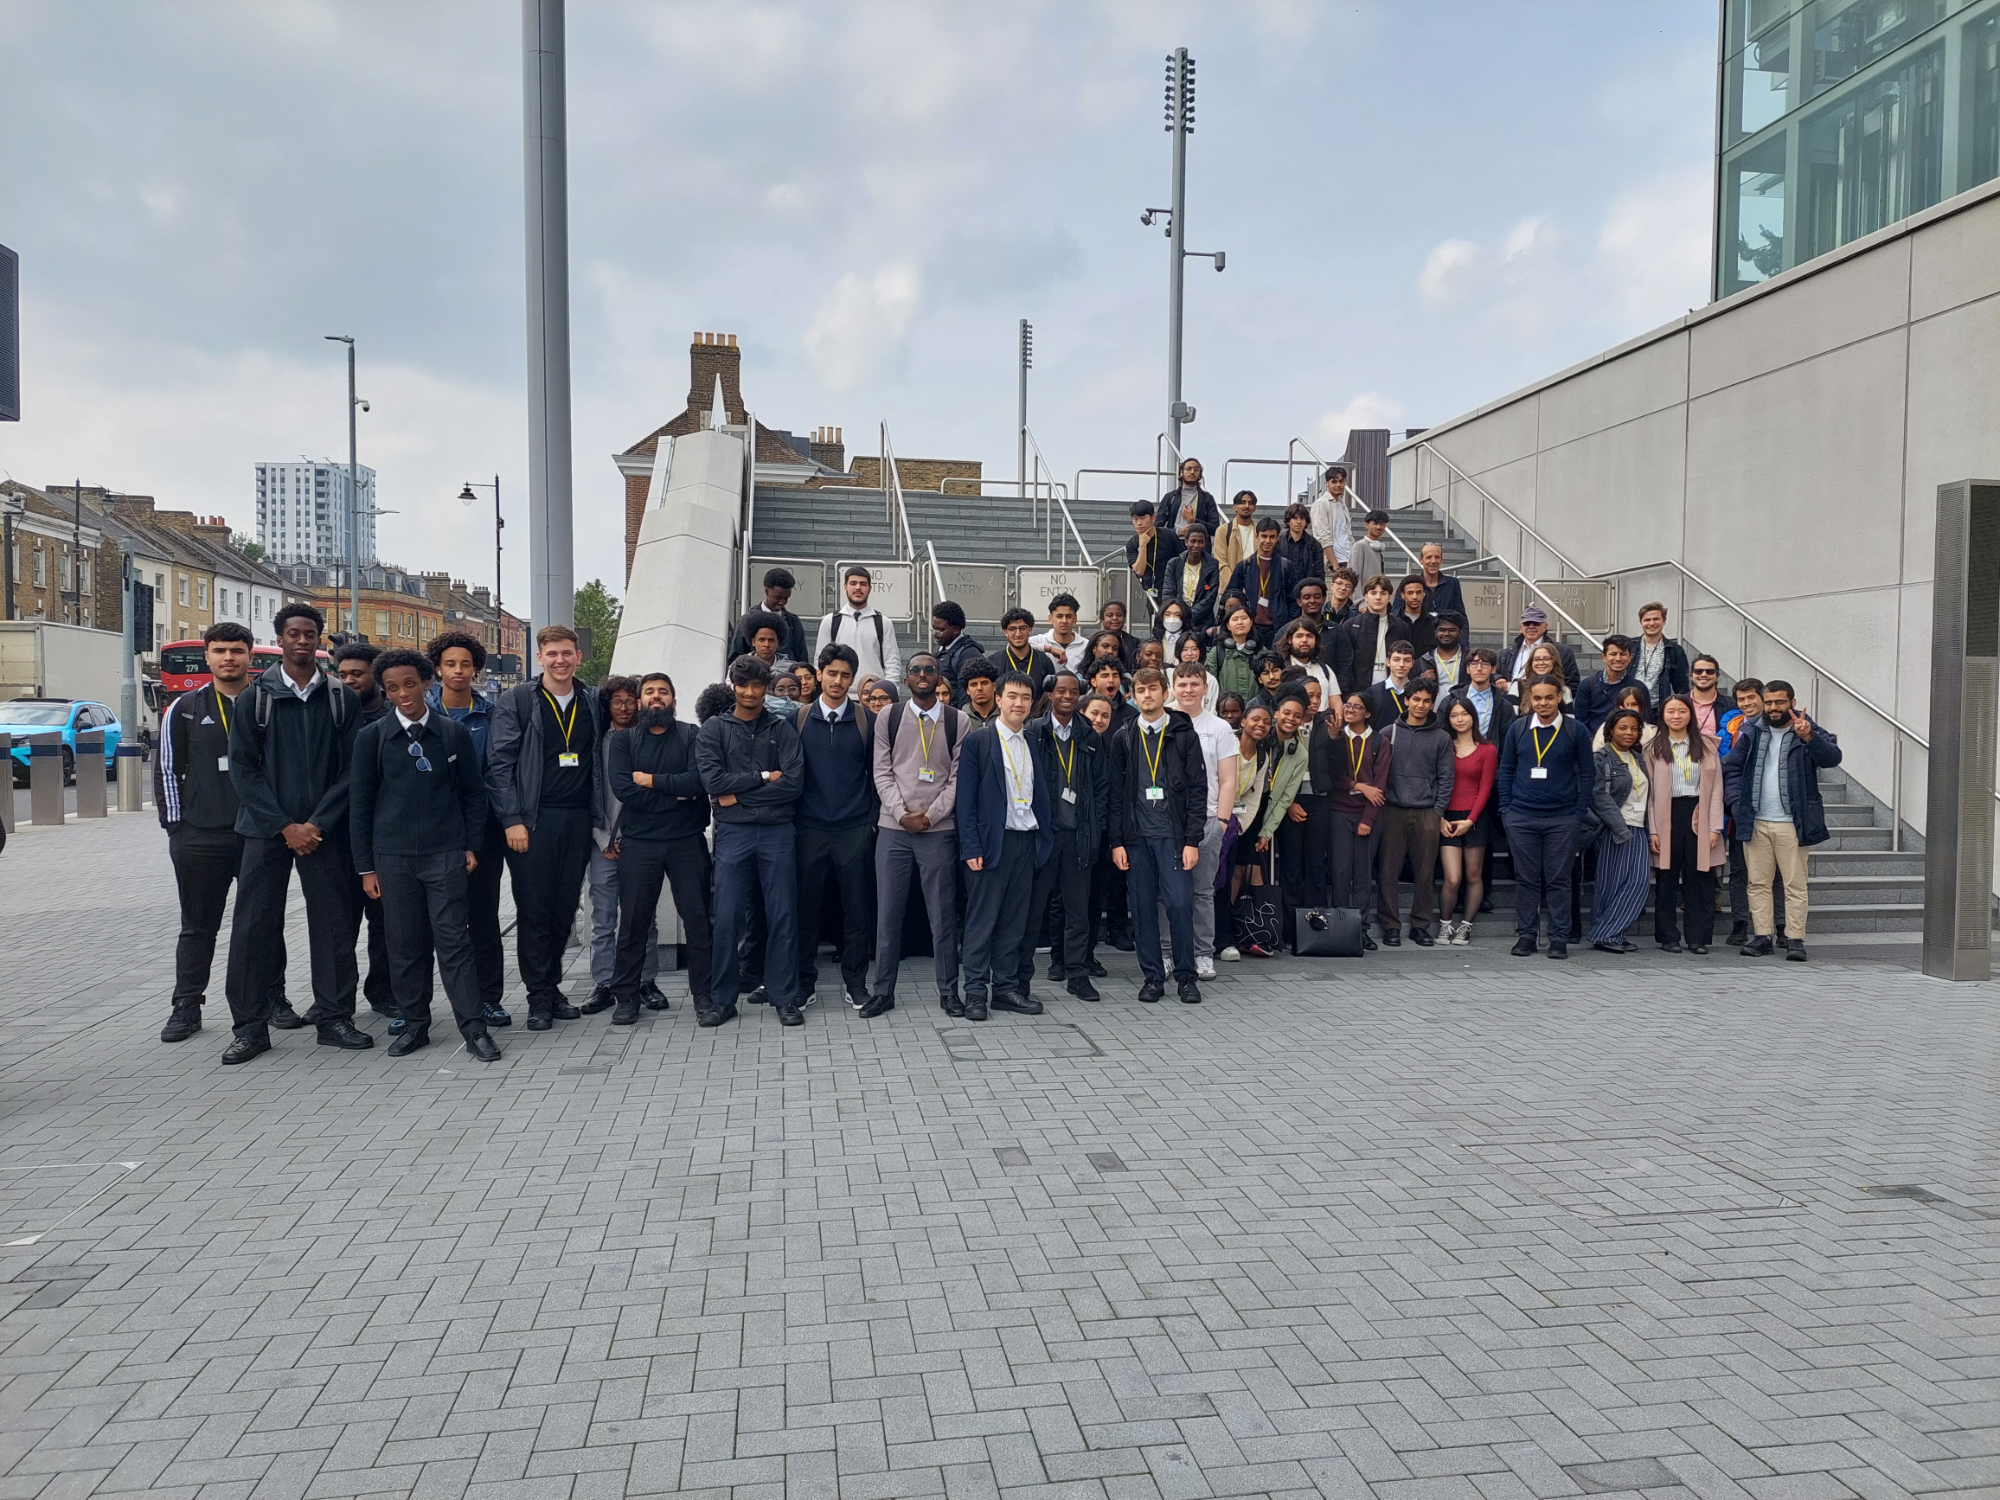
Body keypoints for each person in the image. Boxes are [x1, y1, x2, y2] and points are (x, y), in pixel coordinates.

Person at [218, 603, 366, 1065]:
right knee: (253, 927)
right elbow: (243, 770)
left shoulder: (341, 699)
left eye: (310, 634)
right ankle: (249, 1028)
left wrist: (317, 823)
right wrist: (284, 826)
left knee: (334, 925)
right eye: (293, 633)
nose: (302, 640)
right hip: (266, 831)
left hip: (325, 831)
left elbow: (352, 770)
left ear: (319, 639)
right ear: (280, 639)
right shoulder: (255, 699)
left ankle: (334, 1018)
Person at [349, 649, 498, 1060]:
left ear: (426, 683)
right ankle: (415, 1025)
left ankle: (474, 1029)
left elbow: (473, 795)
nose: (403, 694)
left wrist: (470, 845)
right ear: (385, 690)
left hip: (444, 854)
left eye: (410, 684)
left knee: (454, 942)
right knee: (404, 944)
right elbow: (360, 806)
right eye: (393, 688)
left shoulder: (452, 733)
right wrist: (366, 868)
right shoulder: (371, 738)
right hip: (392, 858)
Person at [155, 622, 293, 1043]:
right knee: (197, 925)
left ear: (251, 656)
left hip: (259, 834)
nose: (228, 658)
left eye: (236, 650)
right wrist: (176, 829)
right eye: (219, 651)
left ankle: (273, 997)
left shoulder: (269, 705)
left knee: (265, 923)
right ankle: (186, 1004)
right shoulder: (185, 708)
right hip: (201, 835)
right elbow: (168, 769)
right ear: (208, 657)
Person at [487, 625, 603, 1030]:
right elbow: (499, 764)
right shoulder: (519, 700)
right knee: (535, 911)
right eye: (552, 654)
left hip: (578, 819)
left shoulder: (591, 700)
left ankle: (552, 989)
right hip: (533, 821)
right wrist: (511, 820)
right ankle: (538, 996)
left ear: (578, 657)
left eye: (567, 653)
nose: (560, 660)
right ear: (540, 658)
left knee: (563, 911)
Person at [698, 656, 807, 1021]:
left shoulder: (782, 728)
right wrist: (762, 777)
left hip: (778, 831)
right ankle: (723, 1000)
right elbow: (713, 782)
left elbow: (793, 784)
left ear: (766, 688)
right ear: (733, 686)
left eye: (757, 685)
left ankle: (784, 997)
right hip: (734, 833)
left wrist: (739, 796)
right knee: (727, 915)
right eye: (742, 685)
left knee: (783, 914)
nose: (749, 692)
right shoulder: (714, 729)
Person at [607, 672, 716, 1024]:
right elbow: (625, 790)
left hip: (687, 842)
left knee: (698, 920)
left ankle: (704, 996)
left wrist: (652, 781)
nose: (657, 696)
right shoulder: (624, 741)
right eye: (650, 691)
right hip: (639, 844)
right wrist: (677, 798)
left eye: (663, 692)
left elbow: (697, 782)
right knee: (633, 923)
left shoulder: (691, 735)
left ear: (673, 699)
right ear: (640, 701)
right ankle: (626, 997)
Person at [869, 652, 967, 1018]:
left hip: (937, 830)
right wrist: (901, 814)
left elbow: (957, 778)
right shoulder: (889, 716)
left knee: (942, 916)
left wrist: (930, 816)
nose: (922, 674)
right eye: (915, 670)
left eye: (929, 670)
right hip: (893, 830)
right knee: (888, 914)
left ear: (939, 678)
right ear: (906, 679)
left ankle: (949, 993)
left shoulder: (958, 721)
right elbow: (881, 771)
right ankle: (883, 992)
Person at [427, 631, 512, 1031]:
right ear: (438, 669)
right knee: (430, 921)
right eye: (450, 664)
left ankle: (488, 998)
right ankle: (416, 1005)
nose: (458, 671)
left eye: (465, 664)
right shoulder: (422, 711)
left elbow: (498, 769)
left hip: (483, 829)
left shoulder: (492, 715)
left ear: (476, 669)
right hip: (434, 829)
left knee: (483, 916)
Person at [956, 672, 1052, 1021]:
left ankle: (1006, 989)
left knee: (1014, 921)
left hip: (1026, 841)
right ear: (998, 699)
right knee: (982, 922)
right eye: (1012, 696)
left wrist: (1043, 840)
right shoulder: (978, 742)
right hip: (990, 845)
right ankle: (975, 992)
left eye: (1026, 697)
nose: (1019, 703)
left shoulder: (1033, 742)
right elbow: (965, 800)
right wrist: (971, 847)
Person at [1106, 667, 1206, 1003]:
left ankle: (1186, 976)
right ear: (1133, 696)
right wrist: (1117, 842)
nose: (1147, 695)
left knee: (1179, 904)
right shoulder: (1123, 736)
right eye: (1140, 690)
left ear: (1166, 693)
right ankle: (1152, 977)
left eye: (1153, 689)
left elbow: (1198, 790)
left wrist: (1192, 840)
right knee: (1143, 908)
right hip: (1136, 839)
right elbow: (1116, 794)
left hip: (1173, 838)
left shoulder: (1183, 734)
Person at [1724, 680, 1841, 961]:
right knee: (1757, 883)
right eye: (1769, 702)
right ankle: (1762, 937)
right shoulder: (1752, 731)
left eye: (1780, 702)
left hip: (1793, 821)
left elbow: (1832, 758)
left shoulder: (1807, 730)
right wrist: (1737, 803)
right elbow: (1731, 767)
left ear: (1792, 703)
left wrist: (1809, 737)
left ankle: (1795, 939)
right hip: (1756, 820)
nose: (1773, 708)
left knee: (1795, 884)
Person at [793, 644, 879, 1009]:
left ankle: (856, 983)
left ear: (853, 679)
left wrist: (871, 821)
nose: (838, 681)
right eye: (832, 673)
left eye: (845, 675)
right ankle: (803, 983)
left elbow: (877, 775)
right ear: (819, 675)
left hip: (854, 829)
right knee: (804, 911)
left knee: (857, 911)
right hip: (809, 829)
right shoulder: (797, 720)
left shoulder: (867, 721)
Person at [1018, 671, 1107, 1001]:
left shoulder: (1089, 735)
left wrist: (1094, 826)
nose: (1067, 696)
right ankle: (1021, 979)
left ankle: (1077, 975)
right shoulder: (1033, 731)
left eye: (1073, 692)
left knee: (1078, 912)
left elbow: (1101, 787)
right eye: (1061, 691)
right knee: (1032, 911)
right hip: (1043, 835)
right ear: (1049, 693)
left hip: (1078, 836)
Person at [1496, 674, 1594, 958]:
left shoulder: (1575, 730)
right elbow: (1506, 769)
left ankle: (1558, 938)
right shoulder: (1518, 728)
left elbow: (1588, 773)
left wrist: (1578, 811)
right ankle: (1526, 936)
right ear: (1529, 699)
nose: (1543, 703)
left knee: (1559, 880)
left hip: (1562, 818)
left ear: (1559, 698)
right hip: (1521, 816)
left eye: (1549, 697)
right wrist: (1506, 808)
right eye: (1537, 698)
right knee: (1526, 879)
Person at [582, 676, 656, 1015]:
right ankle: (604, 982)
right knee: (603, 917)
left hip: (642, 840)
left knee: (643, 916)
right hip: (603, 841)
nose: (624, 707)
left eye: (630, 700)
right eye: (617, 701)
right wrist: (602, 840)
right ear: (607, 705)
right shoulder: (597, 742)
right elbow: (589, 792)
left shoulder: (649, 739)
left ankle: (646, 980)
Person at [333, 640, 398, 1018]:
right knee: (338, 925)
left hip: (384, 838)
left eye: (357, 674)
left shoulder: (395, 718)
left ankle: (384, 992)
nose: (348, 681)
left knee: (385, 922)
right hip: (337, 835)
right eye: (342, 675)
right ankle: (335, 1000)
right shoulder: (332, 716)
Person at [1166, 662, 1239, 980]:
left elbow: (1228, 780)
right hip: (1166, 821)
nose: (1188, 690)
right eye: (1182, 684)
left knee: (1202, 892)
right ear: (1173, 688)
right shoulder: (1160, 721)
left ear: (1206, 688)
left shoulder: (1219, 728)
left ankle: (1202, 954)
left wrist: (1221, 821)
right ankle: (1166, 953)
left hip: (1208, 819)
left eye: (1195, 684)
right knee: (1165, 893)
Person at [1646, 692, 1725, 954]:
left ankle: (1697, 937)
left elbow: (1717, 789)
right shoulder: (1653, 748)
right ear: (1663, 715)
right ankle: (1668, 936)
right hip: (1666, 814)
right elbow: (1649, 794)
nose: (1676, 716)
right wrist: (1653, 830)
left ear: (1691, 715)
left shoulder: (1707, 747)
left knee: (1700, 878)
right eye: (1671, 711)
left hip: (1699, 813)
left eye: (1682, 711)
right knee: (1667, 879)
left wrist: (1714, 827)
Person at [1375, 681, 1452, 946]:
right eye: (1416, 699)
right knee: (1388, 871)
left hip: (1427, 812)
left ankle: (1420, 925)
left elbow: (1446, 777)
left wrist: (1438, 811)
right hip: (1392, 810)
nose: (1421, 705)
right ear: (1406, 700)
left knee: (1425, 872)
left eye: (1427, 701)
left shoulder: (1441, 737)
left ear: (1433, 703)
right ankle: (1390, 925)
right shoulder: (1388, 732)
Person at [1583, 708, 1652, 954]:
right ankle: (1607, 934)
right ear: (1610, 730)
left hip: (1638, 826)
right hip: (1614, 828)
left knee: (1638, 883)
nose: (1629, 733)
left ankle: (1608, 932)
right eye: (1623, 728)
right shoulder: (1601, 757)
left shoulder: (1638, 758)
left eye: (1634, 728)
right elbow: (1599, 796)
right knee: (1611, 884)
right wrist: (1619, 828)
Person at [1436, 698, 1495, 945]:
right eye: (1454, 715)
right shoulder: (1443, 746)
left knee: (1473, 875)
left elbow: (1485, 789)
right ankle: (1445, 925)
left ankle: (1466, 926)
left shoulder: (1487, 749)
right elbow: (1436, 782)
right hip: (1447, 817)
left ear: (1473, 716)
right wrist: (1439, 816)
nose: (1459, 719)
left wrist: (1470, 820)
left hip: (1474, 818)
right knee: (1452, 878)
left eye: (1464, 714)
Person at [1719, 677, 1766, 946]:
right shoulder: (1731, 726)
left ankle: (1779, 926)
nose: (1746, 703)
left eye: (1751, 698)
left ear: (1762, 698)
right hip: (1738, 807)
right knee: (1739, 869)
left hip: (1771, 809)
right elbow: (1726, 765)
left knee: (1774, 873)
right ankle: (1740, 923)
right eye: (1741, 699)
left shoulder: (1777, 725)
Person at [813, 565, 902, 685]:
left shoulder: (883, 622)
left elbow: (892, 663)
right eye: (853, 583)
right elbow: (820, 661)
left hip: (873, 692)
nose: (858, 588)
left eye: (863, 584)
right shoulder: (830, 621)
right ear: (845, 586)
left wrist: (889, 690)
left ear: (869, 588)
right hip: (839, 690)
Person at [1224, 518, 1297, 649]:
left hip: (1278, 627)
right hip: (1251, 627)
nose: (1268, 541)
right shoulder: (1244, 566)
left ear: (1277, 538)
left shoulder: (1286, 566)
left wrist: (1289, 626)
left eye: (1272, 537)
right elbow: (1231, 595)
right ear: (1256, 536)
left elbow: (1294, 600)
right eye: (1264, 536)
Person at [727, 567, 810, 664]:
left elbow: (802, 660)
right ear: (766, 592)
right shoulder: (746, 620)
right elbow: (735, 659)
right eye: (777, 597)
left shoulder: (793, 622)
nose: (782, 602)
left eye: (786, 598)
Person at [1497, 606, 1579, 693]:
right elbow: (1494, 672)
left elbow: (1572, 683)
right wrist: (1499, 678)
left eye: (1536, 623)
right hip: (1510, 698)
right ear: (1521, 627)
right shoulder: (1506, 653)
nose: (1531, 626)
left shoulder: (1562, 651)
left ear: (1545, 626)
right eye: (1527, 623)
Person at [1158, 524, 1221, 635]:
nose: (1196, 545)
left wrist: (1187, 617)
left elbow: (1210, 598)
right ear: (1186, 541)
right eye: (1193, 541)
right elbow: (1168, 594)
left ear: (1205, 543)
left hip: (1203, 624)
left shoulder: (1212, 565)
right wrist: (1179, 615)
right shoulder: (1173, 564)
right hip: (1177, 622)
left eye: (1201, 542)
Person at [1343, 574, 1404, 686]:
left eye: (1383, 593)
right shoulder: (1351, 626)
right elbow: (1345, 664)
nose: (1378, 597)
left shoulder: (1401, 626)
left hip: (1392, 689)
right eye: (1373, 593)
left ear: (1389, 597)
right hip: (1360, 691)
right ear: (1366, 597)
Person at [1576, 634, 1638, 737]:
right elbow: (1581, 722)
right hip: (1595, 742)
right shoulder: (1587, 685)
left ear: (1630, 657)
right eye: (1613, 654)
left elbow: (1644, 720)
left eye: (1623, 654)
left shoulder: (1638, 687)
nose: (1618, 658)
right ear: (1604, 657)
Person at [1446, 647, 1513, 741]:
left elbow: (1506, 739)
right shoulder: (1451, 700)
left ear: (1493, 669)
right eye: (1474, 664)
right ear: (1468, 669)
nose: (1479, 668)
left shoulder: (1504, 706)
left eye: (1485, 664)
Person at [1632, 602, 1690, 705]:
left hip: (1658, 708)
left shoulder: (1675, 650)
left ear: (1664, 621)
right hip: (1630, 706)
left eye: (1656, 619)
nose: (1651, 623)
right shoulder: (1629, 646)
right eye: (1647, 620)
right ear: (1641, 623)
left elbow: (1682, 687)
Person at [996, 609, 1058, 702]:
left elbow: (1050, 697)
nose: (1018, 634)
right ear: (1005, 631)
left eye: (1023, 628)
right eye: (1012, 629)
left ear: (1030, 629)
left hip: (1037, 711)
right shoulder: (995, 662)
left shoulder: (1045, 662)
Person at [931, 601, 985, 704]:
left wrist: (958, 714)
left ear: (955, 629)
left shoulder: (969, 653)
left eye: (940, 630)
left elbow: (966, 696)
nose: (936, 634)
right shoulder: (939, 648)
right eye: (934, 629)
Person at [1156, 456, 1221, 541]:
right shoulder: (1170, 497)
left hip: (1198, 545)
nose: (1192, 472)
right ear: (1181, 472)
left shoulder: (1207, 498)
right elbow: (1157, 527)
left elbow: (1215, 529)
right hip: (1173, 543)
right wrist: (1178, 532)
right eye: (1188, 469)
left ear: (1199, 474)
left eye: (1196, 469)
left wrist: (1193, 520)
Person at [1206, 605, 1262, 703]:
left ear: (1251, 622)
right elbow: (1209, 683)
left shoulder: (1261, 651)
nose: (1240, 622)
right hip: (1225, 709)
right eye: (1235, 619)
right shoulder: (1217, 652)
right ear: (1228, 625)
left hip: (1255, 709)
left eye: (1244, 618)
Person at [1279, 617, 1339, 708]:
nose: (1305, 640)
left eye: (1310, 636)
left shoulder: (1325, 669)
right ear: (1290, 640)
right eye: (1299, 636)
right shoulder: (1281, 668)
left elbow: (1336, 703)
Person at [1125, 500, 1180, 598]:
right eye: (1135, 519)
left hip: (1173, 589)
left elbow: (1183, 559)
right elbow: (1139, 571)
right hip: (1152, 591)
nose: (1139, 523)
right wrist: (1143, 545)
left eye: (1143, 518)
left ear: (1153, 518)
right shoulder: (1132, 544)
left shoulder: (1168, 535)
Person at [1308, 465, 1355, 576]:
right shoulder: (1321, 504)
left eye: (1341, 481)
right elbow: (1322, 537)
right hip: (1334, 562)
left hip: (1349, 557)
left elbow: (1347, 534)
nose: (1338, 485)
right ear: (1327, 483)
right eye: (1334, 482)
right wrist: (1335, 565)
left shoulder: (1343, 505)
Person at [1364, 641, 1420, 728]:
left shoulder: (1418, 692)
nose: (1401, 664)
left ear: (1412, 663)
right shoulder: (1373, 692)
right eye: (1396, 660)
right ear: (1388, 662)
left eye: (1407, 660)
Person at [1030, 593, 1088, 672]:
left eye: (1068, 616)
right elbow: (1016, 645)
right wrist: (1049, 649)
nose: (1064, 621)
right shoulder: (1041, 640)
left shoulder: (1085, 645)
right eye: (1059, 616)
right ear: (1050, 618)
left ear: (1075, 618)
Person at [1417, 613, 1467, 696]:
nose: (1446, 634)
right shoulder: (1424, 660)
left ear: (1460, 633)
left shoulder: (1470, 659)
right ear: (1435, 632)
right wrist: (1421, 681)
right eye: (1442, 630)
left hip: (1462, 703)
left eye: (1452, 630)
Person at [1214, 489, 1261, 578]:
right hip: (1231, 582)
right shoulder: (1223, 531)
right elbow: (1221, 562)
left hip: (1255, 581)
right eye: (1242, 502)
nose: (1246, 506)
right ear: (1235, 507)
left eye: (1250, 503)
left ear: (1254, 508)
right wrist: (1233, 582)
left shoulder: (1260, 531)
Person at [1390, 575, 1438, 659]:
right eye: (1410, 593)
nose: (1415, 597)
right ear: (1402, 595)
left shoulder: (1434, 623)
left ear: (1424, 594)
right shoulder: (1391, 621)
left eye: (1418, 592)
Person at [1173, 635, 1221, 716]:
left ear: (1200, 651)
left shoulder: (1210, 680)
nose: (1189, 653)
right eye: (1185, 649)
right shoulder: (1169, 675)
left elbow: (1212, 710)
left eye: (1194, 649)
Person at [1277, 502, 1323, 585]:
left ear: (1306, 521)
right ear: (1288, 521)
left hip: (1306, 589)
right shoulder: (1278, 542)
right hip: (1283, 588)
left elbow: (1319, 573)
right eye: (1295, 518)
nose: (1299, 522)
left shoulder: (1315, 545)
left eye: (1302, 518)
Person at [1417, 542, 1464, 620]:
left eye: (1437, 557)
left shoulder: (1453, 584)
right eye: (1429, 557)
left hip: (1445, 627)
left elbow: (1461, 616)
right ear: (1421, 560)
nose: (1433, 561)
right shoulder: (1411, 584)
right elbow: (1398, 614)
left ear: (1441, 560)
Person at [1348, 510, 1391, 590]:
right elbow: (1354, 577)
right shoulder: (1359, 546)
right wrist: (1358, 597)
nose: (1379, 527)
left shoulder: (1378, 547)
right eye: (1375, 523)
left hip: (1376, 594)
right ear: (1366, 525)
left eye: (1382, 524)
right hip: (1364, 596)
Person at [1687, 654, 1726, 739]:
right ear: (1691, 676)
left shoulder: (1731, 704)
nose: (1704, 674)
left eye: (1710, 672)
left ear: (1717, 676)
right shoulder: (1678, 703)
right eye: (1698, 671)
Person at [1096, 601, 1140, 668]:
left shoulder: (1135, 643)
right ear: (1102, 620)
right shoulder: (1094, 641)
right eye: (1110, 615)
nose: (1115, 618)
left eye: (1119, 615)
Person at [961, 657, 1001, 725]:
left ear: (994, 686)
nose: (979, 688)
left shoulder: (1007, 716)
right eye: (974, 684)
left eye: (984, 683)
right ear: (967, 690)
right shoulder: (959, 719)